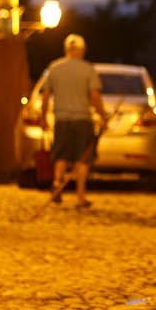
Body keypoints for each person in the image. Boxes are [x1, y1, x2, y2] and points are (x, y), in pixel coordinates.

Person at [46, 33, 107, 209]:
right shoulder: (87, 69)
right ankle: (80, 197)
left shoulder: (54, 68)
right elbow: (95, 96)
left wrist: (43, 118)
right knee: (82, 159)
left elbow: (45, 96)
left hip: (62, 119)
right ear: (81, 50)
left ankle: (57, 185)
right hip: (82, 119)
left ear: (66, 49)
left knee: (61, 155)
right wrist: (102, 116)